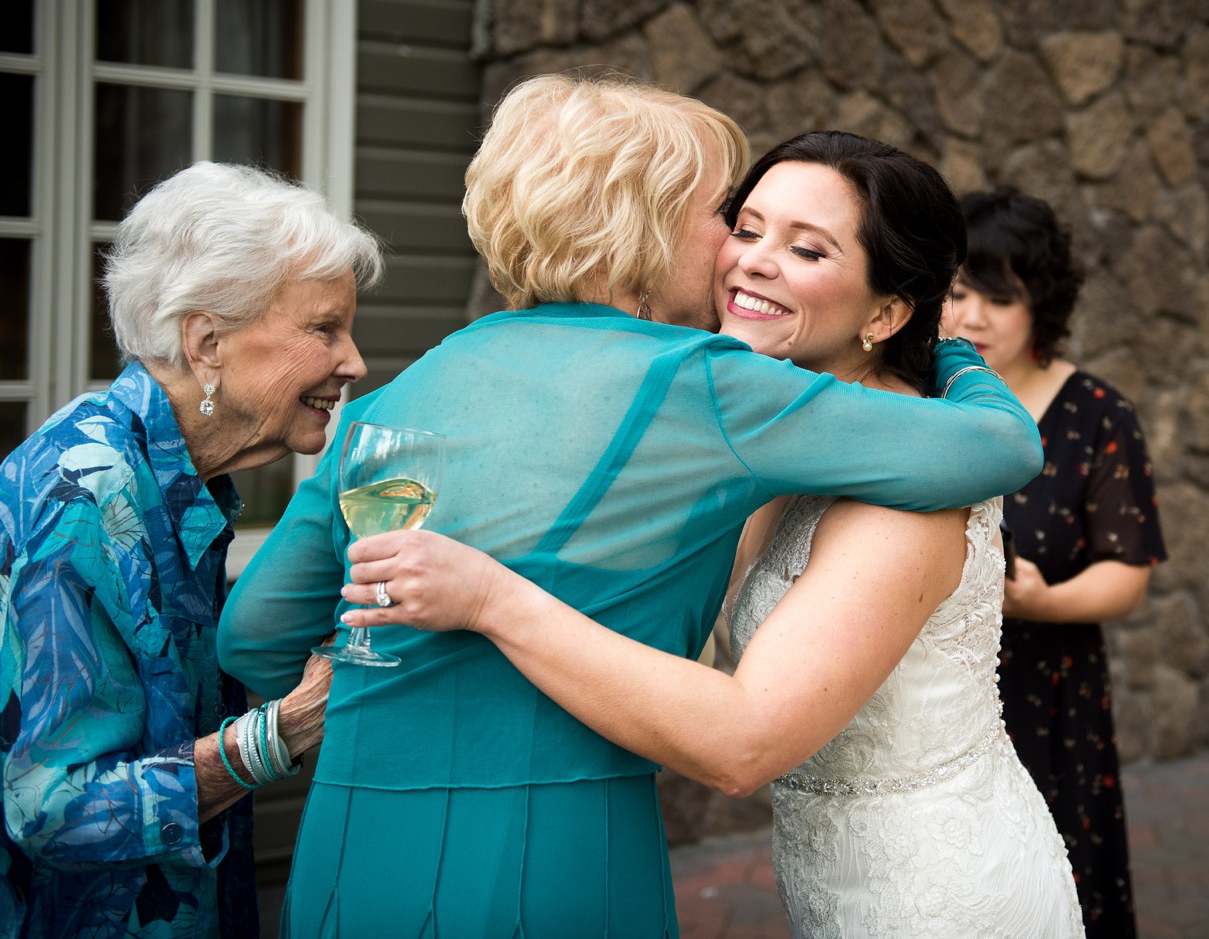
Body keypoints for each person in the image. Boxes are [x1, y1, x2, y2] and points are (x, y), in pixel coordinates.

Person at [217, 78, 1043, 938]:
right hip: (554, 847)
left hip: (351, 845)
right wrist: (955, 351)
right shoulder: (700, 383)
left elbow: (254, 632)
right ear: (647, 223)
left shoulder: (399, 393)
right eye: (725, 213)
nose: (733, 244)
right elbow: (1001, 448)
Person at [0, 162, 381, 939]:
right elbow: (51, 809)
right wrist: (282, 733)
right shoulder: (83, 494)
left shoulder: (179, 477)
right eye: (323, 328)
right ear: (207, 341)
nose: (355, 362)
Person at [943, 187, 1168, 938]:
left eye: (998, 298)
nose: (971, 317)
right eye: (956, 291)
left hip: (1048, 695)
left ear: (1041, 304)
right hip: (933, 693)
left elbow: (1127, 574)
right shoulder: (919, 398)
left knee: (1052, 888)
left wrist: (1037, 602)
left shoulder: (1098, 413)